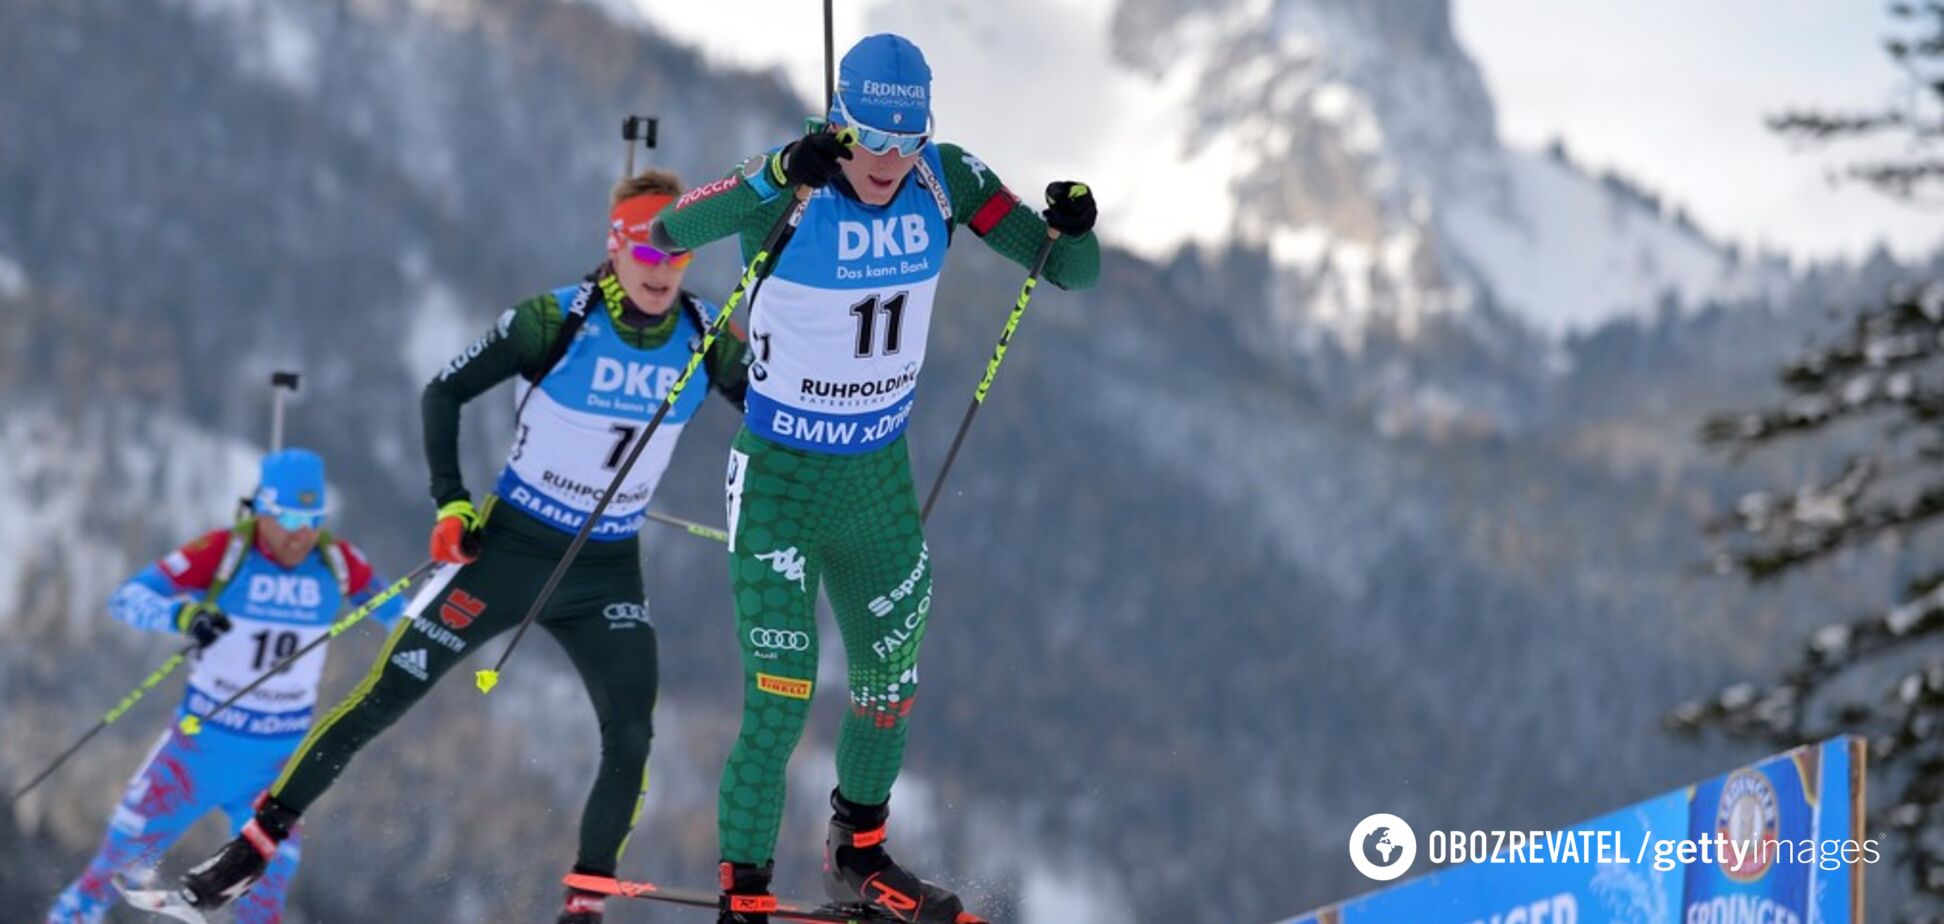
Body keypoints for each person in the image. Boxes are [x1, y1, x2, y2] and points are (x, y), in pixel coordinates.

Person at [173, 169, 751, 924]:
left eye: (676, 255)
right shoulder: (552, 321)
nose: (661, 270)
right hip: (507, 550)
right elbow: (442, 393)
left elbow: (775, 412)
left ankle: (586, 901)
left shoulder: (707, 337)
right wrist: (450, 501)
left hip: (605, 571)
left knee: (633, 730)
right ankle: (252, 846)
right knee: (388, 692)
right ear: (614, 251)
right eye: (644, 253)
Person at [650, 33, 1100, 924]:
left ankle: (858, 851)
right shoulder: (791, 183)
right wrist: (778, 169)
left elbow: (1071, 272)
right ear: (841, 121)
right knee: (780, 701)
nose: (890, 161)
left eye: (908, 138)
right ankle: (744, 889)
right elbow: (670, 230)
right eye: (872, 139)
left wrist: (1077, 224)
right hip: (781, 481)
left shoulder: (946, 179)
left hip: (878, 486)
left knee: (889, 684)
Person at [45, 448, 405, 924]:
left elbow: (402, 614)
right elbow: (126, 598)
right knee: (111, 869)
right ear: (262, 511)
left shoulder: (337, 561)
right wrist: (184, 614)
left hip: (277, 767)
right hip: (197, 753)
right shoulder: (224, 552)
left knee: (263, 899)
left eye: (313, 518)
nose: (301, 532)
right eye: (289, 516)